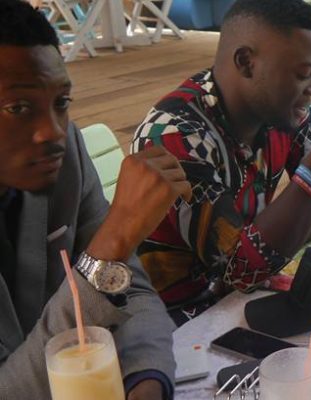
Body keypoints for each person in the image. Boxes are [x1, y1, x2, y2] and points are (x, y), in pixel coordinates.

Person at [131, 0, 311, 323]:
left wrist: (282, 222)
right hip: (174, 323)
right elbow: (242, 270)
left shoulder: (280, 111)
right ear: (246, 62)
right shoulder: (175, 138)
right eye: (303, 75)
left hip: (241, 301)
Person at [0, 1, 192, 399]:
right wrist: (112, 243)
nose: (52, 132)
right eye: (18, 108)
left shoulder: (65, 155)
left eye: (61, 103)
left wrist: (146, 378)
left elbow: (131, 291)